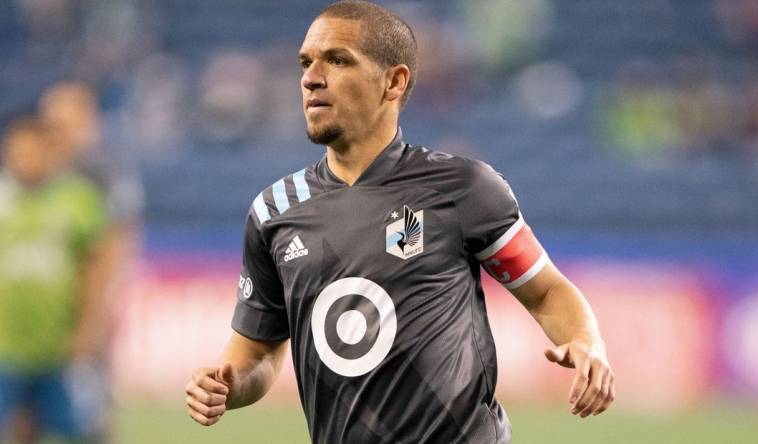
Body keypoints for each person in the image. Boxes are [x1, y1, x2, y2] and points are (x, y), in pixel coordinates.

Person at [186, 1, 615, 442]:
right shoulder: (275, 211)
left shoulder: (462, 188)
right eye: (305, 62)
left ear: (394, 81)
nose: (311, 77)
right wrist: (228, 385)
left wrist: (586, 342)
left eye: (337, 60)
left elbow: (546, 290)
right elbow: (257, 351)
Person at [0, 118, 108, 443]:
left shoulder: (79, 200)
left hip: (59, 348)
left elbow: (94, 270)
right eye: (16, 152)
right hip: (5, 347)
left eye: (32, 152)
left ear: (49, 153)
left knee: (86, 429)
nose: (24, 160)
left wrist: (88, 328)